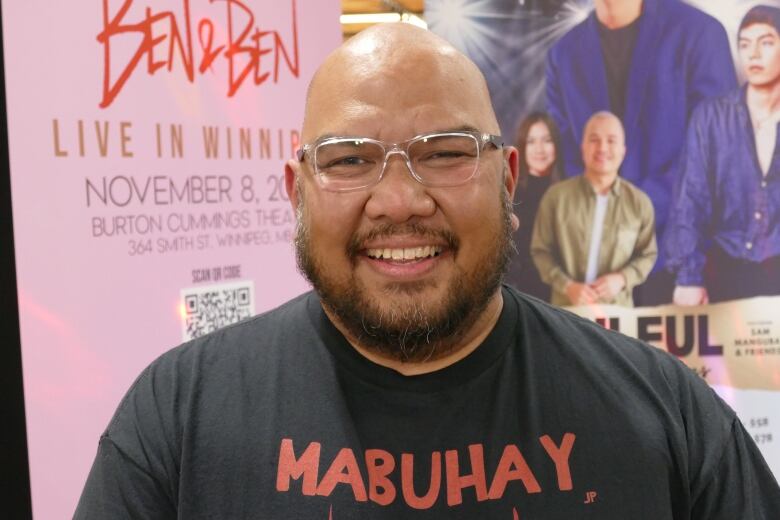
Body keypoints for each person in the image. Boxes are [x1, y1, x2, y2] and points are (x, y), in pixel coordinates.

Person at [75, 24, 780, 519]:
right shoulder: (178, 416)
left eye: (444, 152)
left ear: (508, 181)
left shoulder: (665, 413)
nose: (401, 201)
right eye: (350, 159)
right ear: (297, 190)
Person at [546, 0, 736, 305]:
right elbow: (570, 162)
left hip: (688, 263)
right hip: (595, 273)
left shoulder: (700, 33)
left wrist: (631, 214)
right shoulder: (562, 55)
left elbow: (719, 154)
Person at [666, 5, 780, 305]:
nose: (753, 54)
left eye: (766, 42)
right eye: (745, 44)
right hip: (727, 271)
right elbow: (690, 199)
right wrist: (688, 277)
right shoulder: (711, 117)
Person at [531, 111, 657, 307]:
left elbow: (648, 255)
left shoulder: (640, 203)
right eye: (594, 140)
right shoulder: (555, 198)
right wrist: (567, 286)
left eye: (611, 140)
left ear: (623, 150)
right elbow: (541, 251)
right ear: (582, 148)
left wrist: (622, 279)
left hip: (617, 317)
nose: (602, 147)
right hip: (565, 313)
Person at [504, 112, 562, 300]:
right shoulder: (510, 195)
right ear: (521, 146)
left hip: (564, 295)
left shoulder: (570, 194)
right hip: (522, 295)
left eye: (546, 140)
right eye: (531, 141)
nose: (539, 149)